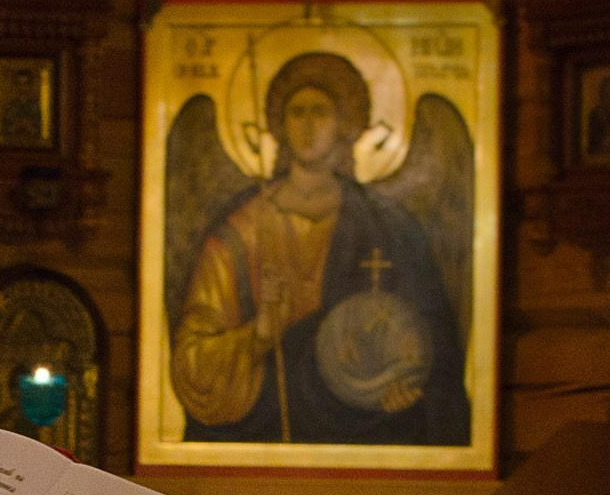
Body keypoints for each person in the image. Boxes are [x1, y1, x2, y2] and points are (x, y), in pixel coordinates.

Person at [170, 50, 467, 445]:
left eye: (321, 113)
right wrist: (257, 335)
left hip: (365, 421)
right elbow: (193, 359)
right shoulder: (241, 229)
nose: (308, 127)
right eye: (297, 113)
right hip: (263, 422)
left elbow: (430, 336)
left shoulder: (387, 226)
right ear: (279, 125)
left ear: (346, 124)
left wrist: (409, 386)